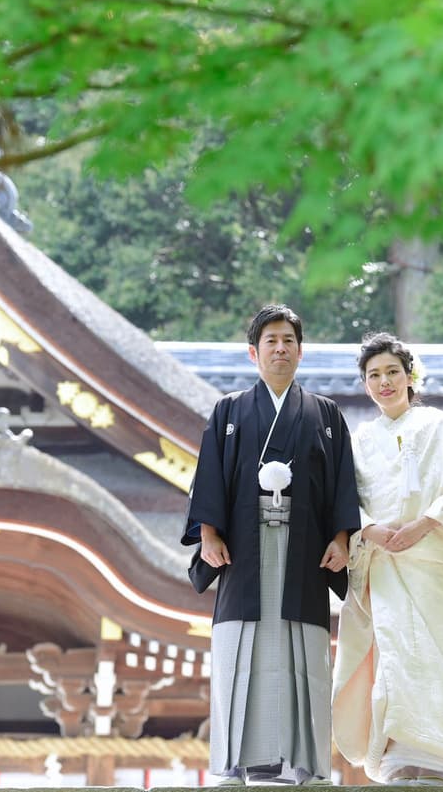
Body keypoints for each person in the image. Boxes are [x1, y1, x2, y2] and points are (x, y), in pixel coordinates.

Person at [182, 304, 360, 786]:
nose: (280, 349)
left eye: (288, 341)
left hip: (305, 549)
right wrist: (208, 534)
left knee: (305, 654)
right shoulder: (229, 410)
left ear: (301, 352)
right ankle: (231, 766)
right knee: (238, 649)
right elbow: (208, 477)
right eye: (271, 341)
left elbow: (342, 483)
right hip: (243, 547)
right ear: (253, 353)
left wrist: (341, 539)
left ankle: (309, 766)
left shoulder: (325, 414)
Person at [332, 333, 443, 786]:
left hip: (436, 560)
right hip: (386, 564)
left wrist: (424, 524)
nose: (384, 382)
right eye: (374, 375)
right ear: (365, 384)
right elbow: (344, 498)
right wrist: (371, 529)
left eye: (392, 371)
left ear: (410, 376)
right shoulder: (360, 441)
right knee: (396, 656)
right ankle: (400, 756)